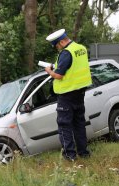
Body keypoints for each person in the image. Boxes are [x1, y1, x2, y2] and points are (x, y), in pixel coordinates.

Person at [44, 29, 92, 161]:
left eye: (56, 46)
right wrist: (58, 66)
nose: (57, 49)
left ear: (61, 42)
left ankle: (70, 156)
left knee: (64, 125)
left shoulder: (66, 53)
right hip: (80, 92)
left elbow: (59, 75)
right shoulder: (80, 48)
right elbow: (74, 67)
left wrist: (49, 71)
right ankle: (83, 153)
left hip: (67, 94)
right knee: (79, 124)